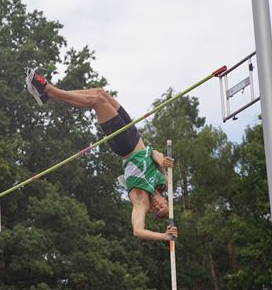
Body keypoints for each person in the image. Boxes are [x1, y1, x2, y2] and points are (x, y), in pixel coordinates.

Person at [25, 68, 178, 241]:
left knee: (97, 101)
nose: (158, 206)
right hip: (136, 136)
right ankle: (48, 96)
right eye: (163, 206)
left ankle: (47, 89)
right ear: (166, 201)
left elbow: (138, 230)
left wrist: (164, 236)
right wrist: (162, 161)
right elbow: (155, 154)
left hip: (125, 146)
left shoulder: (141, 202)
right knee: (100, 93)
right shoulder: (163, 183)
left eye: (157, 210)